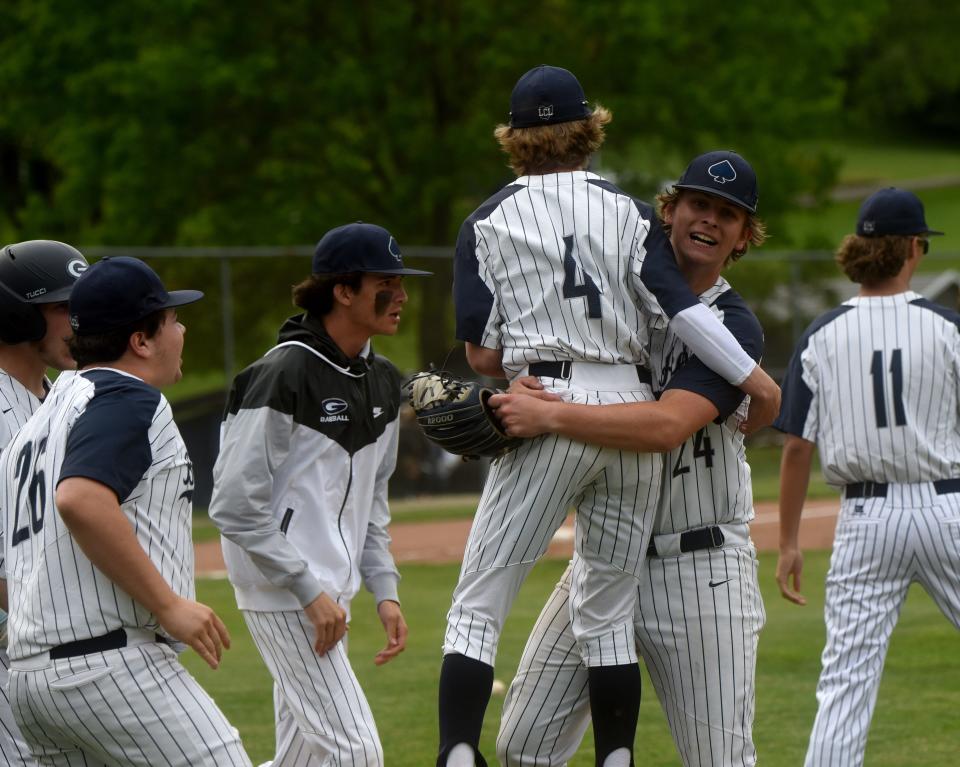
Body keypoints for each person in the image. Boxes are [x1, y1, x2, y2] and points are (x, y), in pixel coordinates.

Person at [440, 63, 779, 767]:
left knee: (719, 760)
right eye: (697, 204)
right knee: (525, 745)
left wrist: (546, 413)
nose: (708, 219)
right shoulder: (628, 291)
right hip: (606, 555)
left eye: (728, 213)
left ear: (746, 235)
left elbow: (659, 427)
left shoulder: (731, 327)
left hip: (699, 568)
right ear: (666, 213)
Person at [1, 256, 251, 766]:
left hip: (31, 681)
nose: (181, 330)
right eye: (171, 320)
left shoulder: (36, 424)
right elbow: (81, 499)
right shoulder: (123, 394)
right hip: (110, 664)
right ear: (141, 341)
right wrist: (168, 606)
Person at [208, 222, 429, 767]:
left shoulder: (383, 378)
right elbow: (234, 504)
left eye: (401, 281)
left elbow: (372, 503)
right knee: (357, 754)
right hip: (283, 590)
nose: (401, 294)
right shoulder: (280, 374)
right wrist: (307, 588)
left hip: (330, 593)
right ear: (343, 290)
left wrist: (385, 587)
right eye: (386, 281)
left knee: (304, 760)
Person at [774, 187, 959, 767]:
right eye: (923, 243)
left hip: (864, 518)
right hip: (946, 508)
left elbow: (797, 449)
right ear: (910, 248)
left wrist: (787, 543)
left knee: (846, 684)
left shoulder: (821, 333)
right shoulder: (949, 327)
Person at [0, 239, 88, 767]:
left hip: (40, 648)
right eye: (61, 307)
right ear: (15, 314)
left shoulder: (61, 397)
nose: (78, 321)